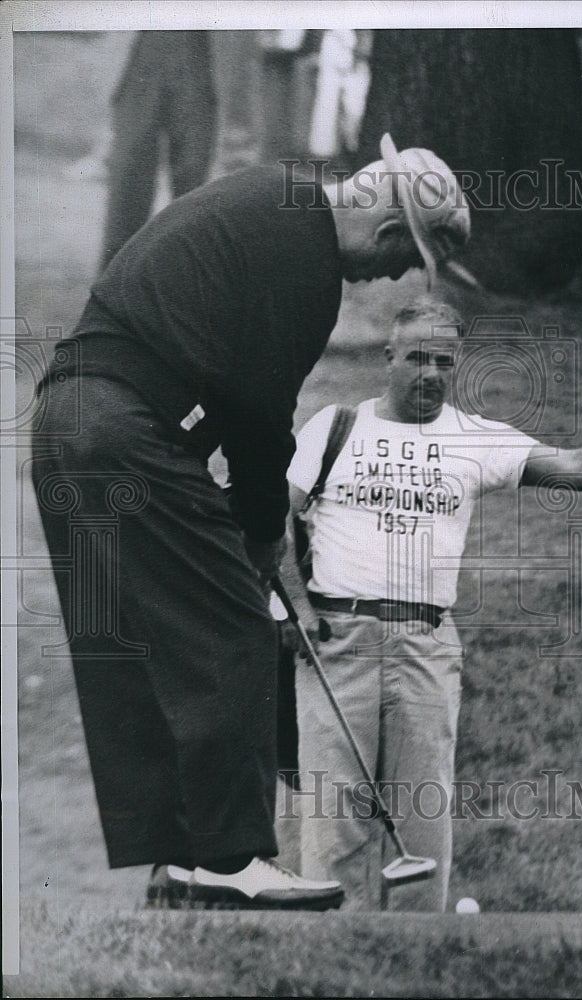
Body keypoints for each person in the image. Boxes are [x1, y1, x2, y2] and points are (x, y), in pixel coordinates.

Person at [31, 135, 470, 910]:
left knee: (133, 644)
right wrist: (260, 538)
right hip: (123, 429)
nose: (395, 274)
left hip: (67, 425)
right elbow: (262, 417)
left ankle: (175, 862)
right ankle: (231, 862)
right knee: (233, 625)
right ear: (390, 229)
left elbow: (226, 382)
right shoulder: (304, 259)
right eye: (407, 257)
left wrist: (237, 524)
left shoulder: (279, 197)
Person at [283, 297, 582, 912]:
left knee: (422, 818)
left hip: (426, 645)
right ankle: (329, 960)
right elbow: (274, 517)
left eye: (445, 362)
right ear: (389, 357)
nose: (431, 373)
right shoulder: (334, 426)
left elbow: (571, 464)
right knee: (334, 818)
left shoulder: (474, 437)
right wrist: (295, 611)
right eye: (418, 357)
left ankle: (420, 963)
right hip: (335, 642)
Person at [99, 31, 218, 272]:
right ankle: (114, 284)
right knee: (131, 165)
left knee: (193, 173)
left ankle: (189, 282)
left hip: (206, 39)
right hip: (150, 33)